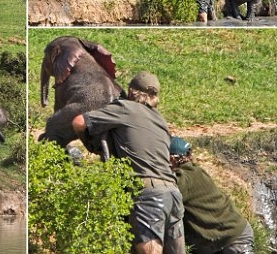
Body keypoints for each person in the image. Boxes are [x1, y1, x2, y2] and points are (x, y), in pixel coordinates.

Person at [72, 72, 185, 254]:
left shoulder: (125, 108)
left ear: (132, 92)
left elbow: (78, 122)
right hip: (173, 194)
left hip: (149, 195)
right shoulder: (161, 121)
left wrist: (91, 147)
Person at [170, 136, 255, 254]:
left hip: (233, 239)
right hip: (229, 236)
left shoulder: (184, 178)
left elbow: (166, 195)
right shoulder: (197, 171)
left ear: (171, 159)